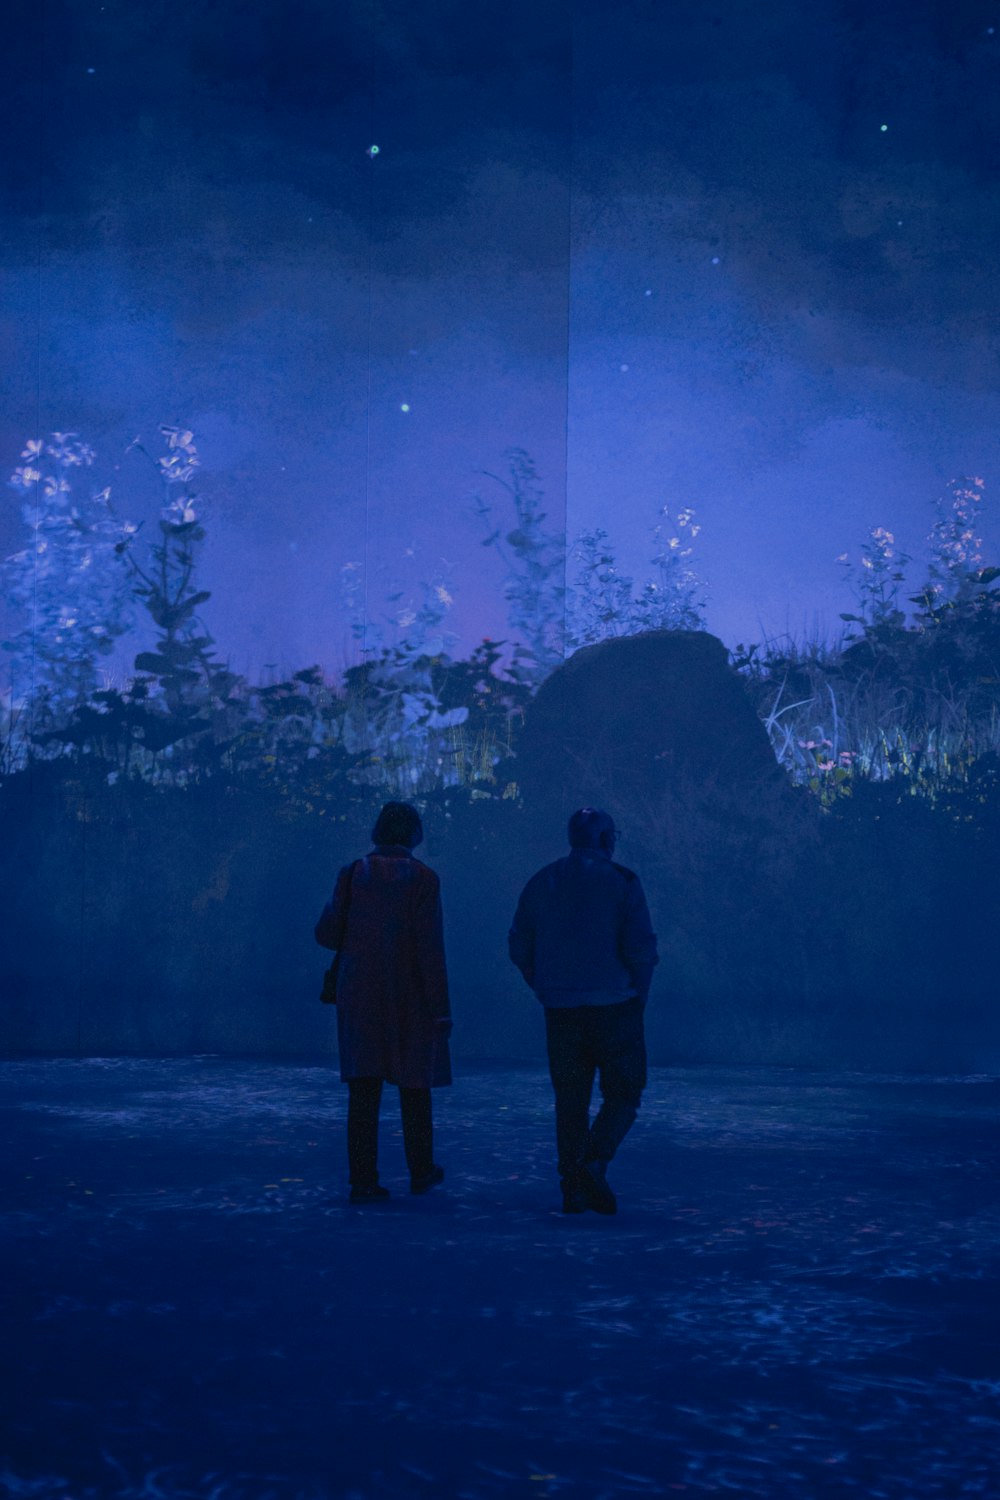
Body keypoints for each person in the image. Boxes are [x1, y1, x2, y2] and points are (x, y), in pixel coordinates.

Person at [508, 807, 658, 1215]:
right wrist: (638, 996)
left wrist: (542, 985)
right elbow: (640, 948)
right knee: (624, 1094)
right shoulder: (622, 882)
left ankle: (572, 1185)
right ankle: (595, 1161)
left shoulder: (544, 880)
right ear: (606, 839)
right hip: (615, 1005)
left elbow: (519, 942)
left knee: (570, 1101)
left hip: (561, 1009)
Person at [315, 801, 452, 1203]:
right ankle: (421, 1170)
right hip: (411, 993)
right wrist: (441, 1008)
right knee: (415, 1085)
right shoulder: (424, 879)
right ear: (414, 834)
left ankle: (363, 1180)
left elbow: (326, 934)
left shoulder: (355, 873)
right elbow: (430, 949)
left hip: (359, 992)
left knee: (363, 1090)